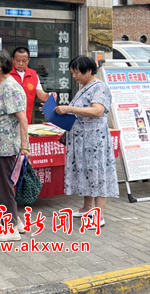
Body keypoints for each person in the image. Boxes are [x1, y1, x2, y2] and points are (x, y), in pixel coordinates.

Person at [54, 56, 118, 227]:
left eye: (77, 72)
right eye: (72, 73)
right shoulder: (84, 87)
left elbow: (97, 111)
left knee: (98, 174)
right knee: (86, 172)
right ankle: (87, 207)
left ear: (89, 71)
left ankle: (99, 214)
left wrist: (69, 108)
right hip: (82, 139)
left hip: (94, 140)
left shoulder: (99, 87)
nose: (74, 76)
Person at [0, 50, 29, 242]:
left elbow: (22, 118)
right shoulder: (0, 85)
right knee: (5, 185)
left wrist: (24, 146)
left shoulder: (9, 87)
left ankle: (10, 228)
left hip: (5, 147)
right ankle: (15, 220)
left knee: (4, 187)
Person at [10, 47, 55, 124]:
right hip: (9, 118)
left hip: (27, 117)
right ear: (12, 60)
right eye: (18, 60)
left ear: (28, 60)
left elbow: (40, 94)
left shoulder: (33, 74)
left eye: (24, 61)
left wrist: (50, 95)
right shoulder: (6, 74)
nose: (21, 63)